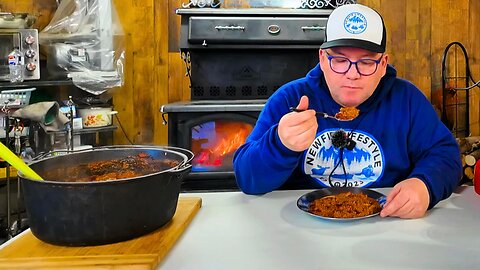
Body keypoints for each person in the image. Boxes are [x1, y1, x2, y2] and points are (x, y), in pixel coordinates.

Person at [232, 4, 462, 219]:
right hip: (298, 228)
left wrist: (424, 185)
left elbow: (446, 154)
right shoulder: (289, 99)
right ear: (322, 59)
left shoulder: (407, 100)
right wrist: (280, 144)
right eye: (340, 60)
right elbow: (247, 179)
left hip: (386, 224)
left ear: (383, 65)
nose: (352, 74)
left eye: (366, 62)